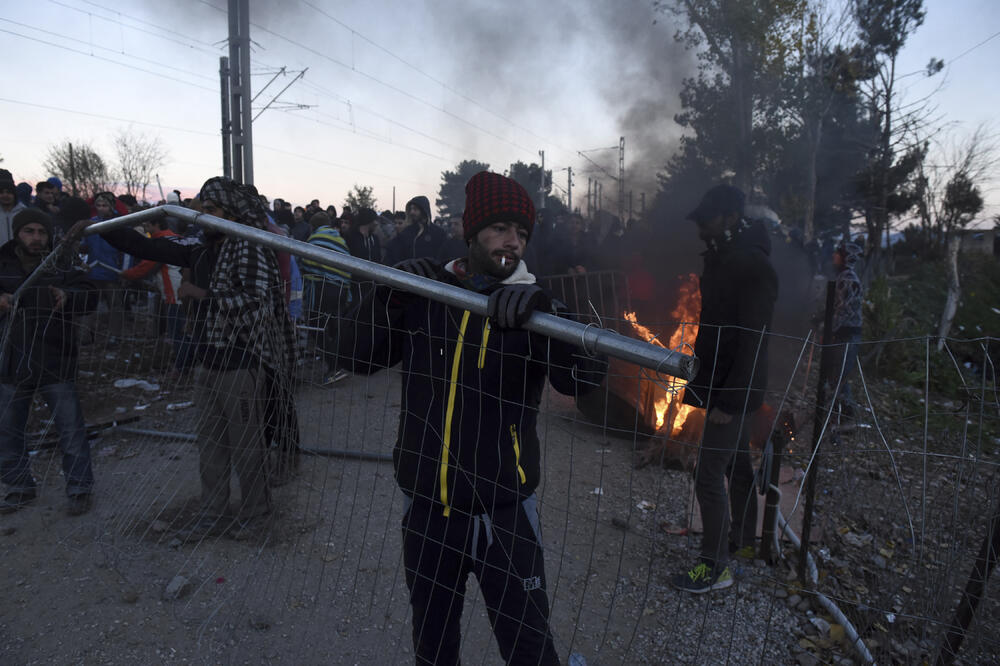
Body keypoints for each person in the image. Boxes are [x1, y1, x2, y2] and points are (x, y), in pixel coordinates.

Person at [342, 171, 606, 665]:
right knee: (433, 646)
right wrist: (388, 296)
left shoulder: (533, 306)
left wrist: (552, 316)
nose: (513, 241)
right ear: (472, 232)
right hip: (428, 509)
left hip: (504, 515)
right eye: (500, 228)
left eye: (521, 232)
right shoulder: (429, 294)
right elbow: (352, 356)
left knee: (530, 648)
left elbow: (584, 379)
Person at [89, 177, 297, 540]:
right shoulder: (200, 248)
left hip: (241, 363)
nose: (204, 217)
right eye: (203, 210)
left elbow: (256, 305)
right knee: (210, 446)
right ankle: (213, 514)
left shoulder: (251, 248)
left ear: (232, 213)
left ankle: (257, 516)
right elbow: (148, 246)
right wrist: (100, 227)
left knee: (247, 448)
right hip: (207, 359)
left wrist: (202, 294)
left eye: (212, 210)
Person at [673, 184, 778, 594]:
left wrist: (730, 402)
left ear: (732, 217)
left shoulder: (753, 266)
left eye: (708, 220)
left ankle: (714, 567)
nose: (700, 227)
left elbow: (753, 340)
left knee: (708, 473)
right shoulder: (725, 256)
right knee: (737, 465)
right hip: (725, 380)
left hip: (737, 388)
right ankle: (743, 542)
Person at [0, 208, 97, 515]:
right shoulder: (2, 262)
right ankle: (18, 487)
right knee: (8, 430)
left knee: (70, 429)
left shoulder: (62, 261)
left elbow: (90, 295)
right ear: (17, 233)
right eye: (29, 231)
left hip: (56, 357)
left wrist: (68, 295)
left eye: (41, 232)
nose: (36, 238)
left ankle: (79, 488)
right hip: (11, 360)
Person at [299, 211, 353, 386]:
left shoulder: (314, 239)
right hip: (341, 290)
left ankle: (334, 366)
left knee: (317, 329)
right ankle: (338, 366)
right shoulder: (340, 240)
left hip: (321, 291)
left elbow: (306, 263)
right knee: (334, 330)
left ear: (312, 226)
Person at [824, 240, 864, 416]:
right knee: (836, 376)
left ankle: (845, 415)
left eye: (838, 253)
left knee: (839, 377)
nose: (834, 255)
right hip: (842, 334)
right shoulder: (843, 277)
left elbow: (843, 311)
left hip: (847, 335)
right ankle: (838, 413)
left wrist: (828, 331)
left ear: (846, 257)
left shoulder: (848, 279)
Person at [383, 195, 446, 266]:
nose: (412, 212)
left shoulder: (438, 232)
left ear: (423, 210)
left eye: (415, 209)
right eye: (411, 209)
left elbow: (442, 257)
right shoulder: (406, 232)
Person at [0, 171, 27, 245]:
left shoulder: (24, 213)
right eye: (1, 193)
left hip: (18, 251)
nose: (5, 195)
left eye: (9, 192)